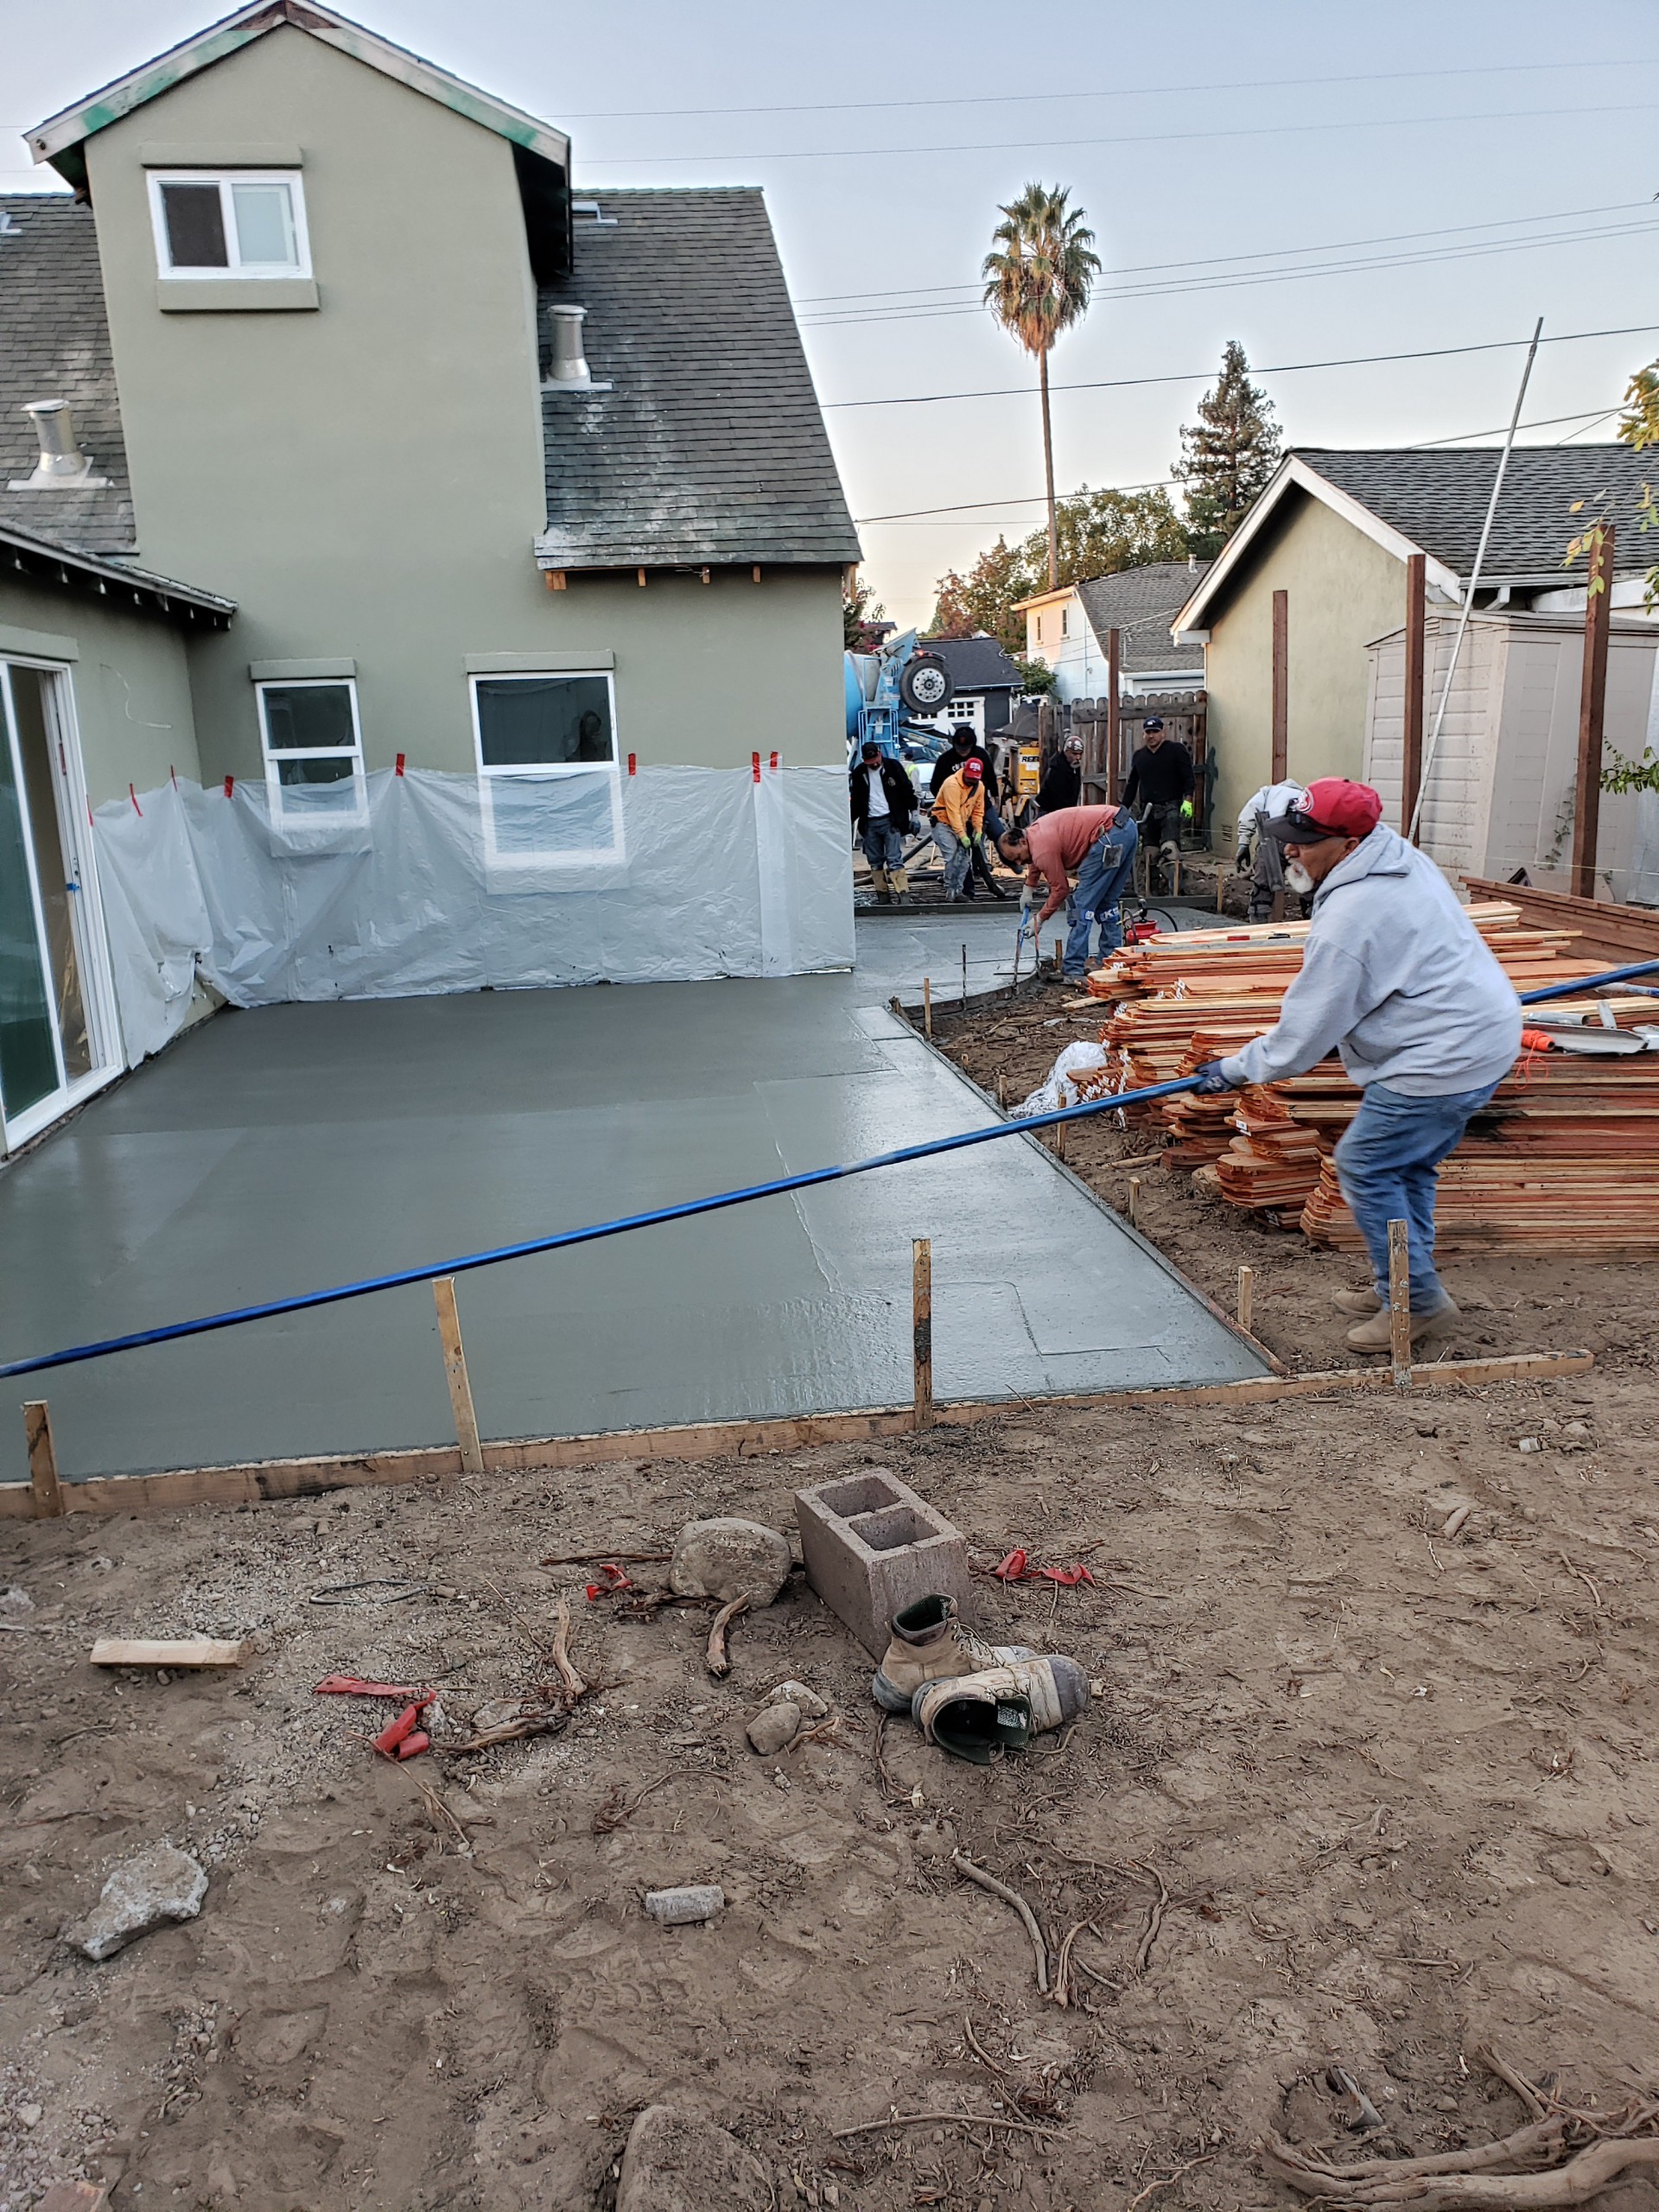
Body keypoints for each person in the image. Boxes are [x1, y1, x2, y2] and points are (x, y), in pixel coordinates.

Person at [1190, 779, 1522, 1354]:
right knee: (1405, 1168)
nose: (1289, 850)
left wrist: (1234, 1070)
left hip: (1442, 1056)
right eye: (1288, 837)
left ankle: (1417, 1303)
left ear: (1346, 843)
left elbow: (1302, 1037)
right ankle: (1400, 1284)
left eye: (1304, 841)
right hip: (1473, 1036)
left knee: (1366, 1164)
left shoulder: (1353, 917)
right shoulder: (1394, 855)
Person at [998, 802, 1139, 976]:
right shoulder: (1034, 831)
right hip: (1126, 828)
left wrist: (1039, 919)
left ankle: (1073, 968)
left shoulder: (1042, 849)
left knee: (1081, 904)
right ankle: (1110, 959)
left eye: (1018, 857)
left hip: (1109, 836)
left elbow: (1061, 889)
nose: (1019, 863)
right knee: (1107, 901)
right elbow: (1035, 857)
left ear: (1022, 841)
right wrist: (1029, 886)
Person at [1122, 715, 1194, 895]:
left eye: (1155, 732)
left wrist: (1188, 799)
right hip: (1148, 810)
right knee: (1150, 852)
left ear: (1163, 732)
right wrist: (1123, 810)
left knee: (1169, 849)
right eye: (1148, 732)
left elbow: (1188, 777)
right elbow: (1132, 785)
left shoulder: (1175, 751)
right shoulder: (1140, 757)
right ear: (1144, 734)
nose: (1151, 736)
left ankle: (1175, 892)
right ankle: (1151, 892)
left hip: (1171, 806)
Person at [849, 740, 918, 905]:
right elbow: (857, 803)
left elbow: (907, 791)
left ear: (880, 754)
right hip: (870, 824)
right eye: (870, 762)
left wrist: (914, 814)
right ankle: (883, 895)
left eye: (876, 761)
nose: (874, 765)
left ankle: (903, 895)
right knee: (875, 861)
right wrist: (848, 822)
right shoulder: (860, 773)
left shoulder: (893, 767)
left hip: (891, 821)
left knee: (894, 858)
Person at [1234, 776, 1306, 922]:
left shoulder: (1268, 792)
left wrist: (1243, 844)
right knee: (1308, 887)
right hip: (1301, 837)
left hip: (1273, 836)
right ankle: (1310, 925)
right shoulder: (1305, 795)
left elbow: (1248, 815)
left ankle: (1258, 926)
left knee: (1263, 887)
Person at [934, 753, 988, 900]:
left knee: (964, 861)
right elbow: (953, 813)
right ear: (964, 771)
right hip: (943, 823)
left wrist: (978, 830)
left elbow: (977, 811)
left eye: (974, 778)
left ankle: (957, 891)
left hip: (960, 824)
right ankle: (950, 890)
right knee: (952, 856)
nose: (971, 781)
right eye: (969, 777)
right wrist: (962, 835)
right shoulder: (952, 784)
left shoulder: (979, 787)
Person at [1036, 733, 1084, 815]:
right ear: (1066, 752)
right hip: (1050, 812)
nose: (1078, 757)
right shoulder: (1057, 768)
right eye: (1074, 754)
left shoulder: (1074, 766)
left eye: (1080, 754)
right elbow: (1057, 797)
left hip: (1065, 811)